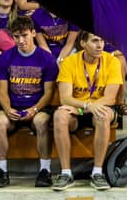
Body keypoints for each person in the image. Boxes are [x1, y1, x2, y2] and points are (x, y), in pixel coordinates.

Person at [0, 15, 58, 188]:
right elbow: (2, 91)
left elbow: (48, 93)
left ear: (33, 33)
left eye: (24, 35)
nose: (21, 40)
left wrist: (34, 110)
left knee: (42, 122)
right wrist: (7, 108)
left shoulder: (47, 59)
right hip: (13, 107)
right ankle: (2, 171)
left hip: (37, 108)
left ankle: (45, 171)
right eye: (16, 36)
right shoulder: (5, 58)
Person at [52, 30, 123, 189]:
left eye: (102, 41)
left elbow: (110, 98)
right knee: (59, 116)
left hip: (98, 108)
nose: (100, 45)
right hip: (78, 108)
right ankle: (66, 173)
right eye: (95, 41)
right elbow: (65, 98)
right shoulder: (70, 62)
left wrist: (85, 109)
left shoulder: (112, 62)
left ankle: (97, 172)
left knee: (103, 115)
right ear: (83, 43)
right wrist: (85, 106)